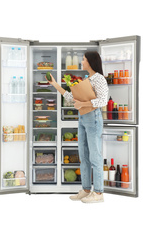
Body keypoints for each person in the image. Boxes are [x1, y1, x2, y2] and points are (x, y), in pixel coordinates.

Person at [45, 51, 108, 203]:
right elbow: (70, 97)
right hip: (82, 119)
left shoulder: (99, 78)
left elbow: (103, 100)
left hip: (93, 119)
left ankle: (98, 193)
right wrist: (54, 84)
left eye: (84, 59)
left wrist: (83, 104)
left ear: (91, 62)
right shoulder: (88, 79)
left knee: (95, 157)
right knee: (84, 157)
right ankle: (86, 190)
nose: (82, 61)